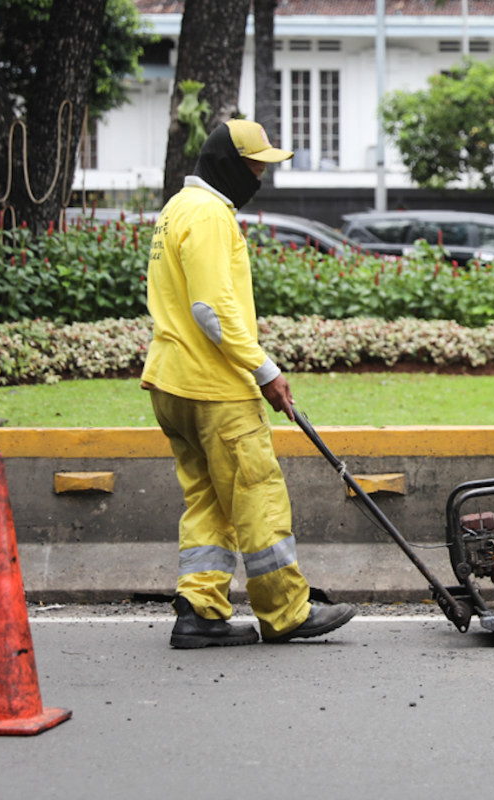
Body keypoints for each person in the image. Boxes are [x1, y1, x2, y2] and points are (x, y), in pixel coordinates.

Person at [141, 119, 355, 648]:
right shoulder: (211, 215)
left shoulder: (176, 210)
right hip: (217, 388)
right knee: (258, 492)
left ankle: (199, 608)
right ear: (229, 165)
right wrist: (266, 371)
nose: (261, 175)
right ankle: (286, 610)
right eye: (255, 165)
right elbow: (211, 310)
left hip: (172, 383)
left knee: (209, 500)